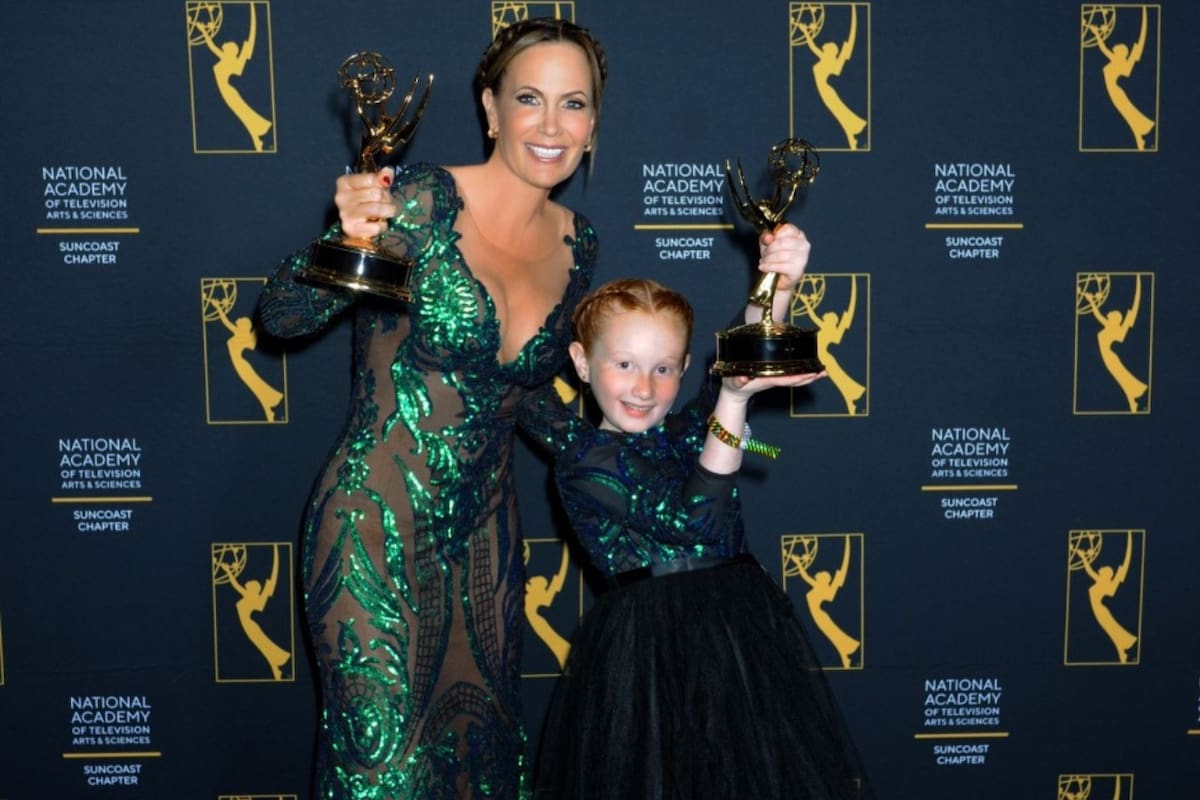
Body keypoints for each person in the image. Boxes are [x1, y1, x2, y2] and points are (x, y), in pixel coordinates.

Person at [255, 18, 607, 799]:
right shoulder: (415, 200)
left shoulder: (578, 244)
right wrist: (339, 241)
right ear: (490, 109)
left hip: (485, 546)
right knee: (381, 773)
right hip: (372, 529)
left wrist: (659, 448)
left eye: (573, 103)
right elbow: (280, 319)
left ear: (593, 122)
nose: (552, 126)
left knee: (479, 770)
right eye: (529, 99)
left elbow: (524, 402)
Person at [518, 238, 871, 798]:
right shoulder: (585, 463)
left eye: (663, 368)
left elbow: (743, 347)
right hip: (647, 665)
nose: (643, 387)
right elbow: (693, 521)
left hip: (738, 645)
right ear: (583, 363)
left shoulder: (685, 431)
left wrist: (780, 281)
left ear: (684, 367)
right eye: (624, 364)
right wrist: (733, 405)